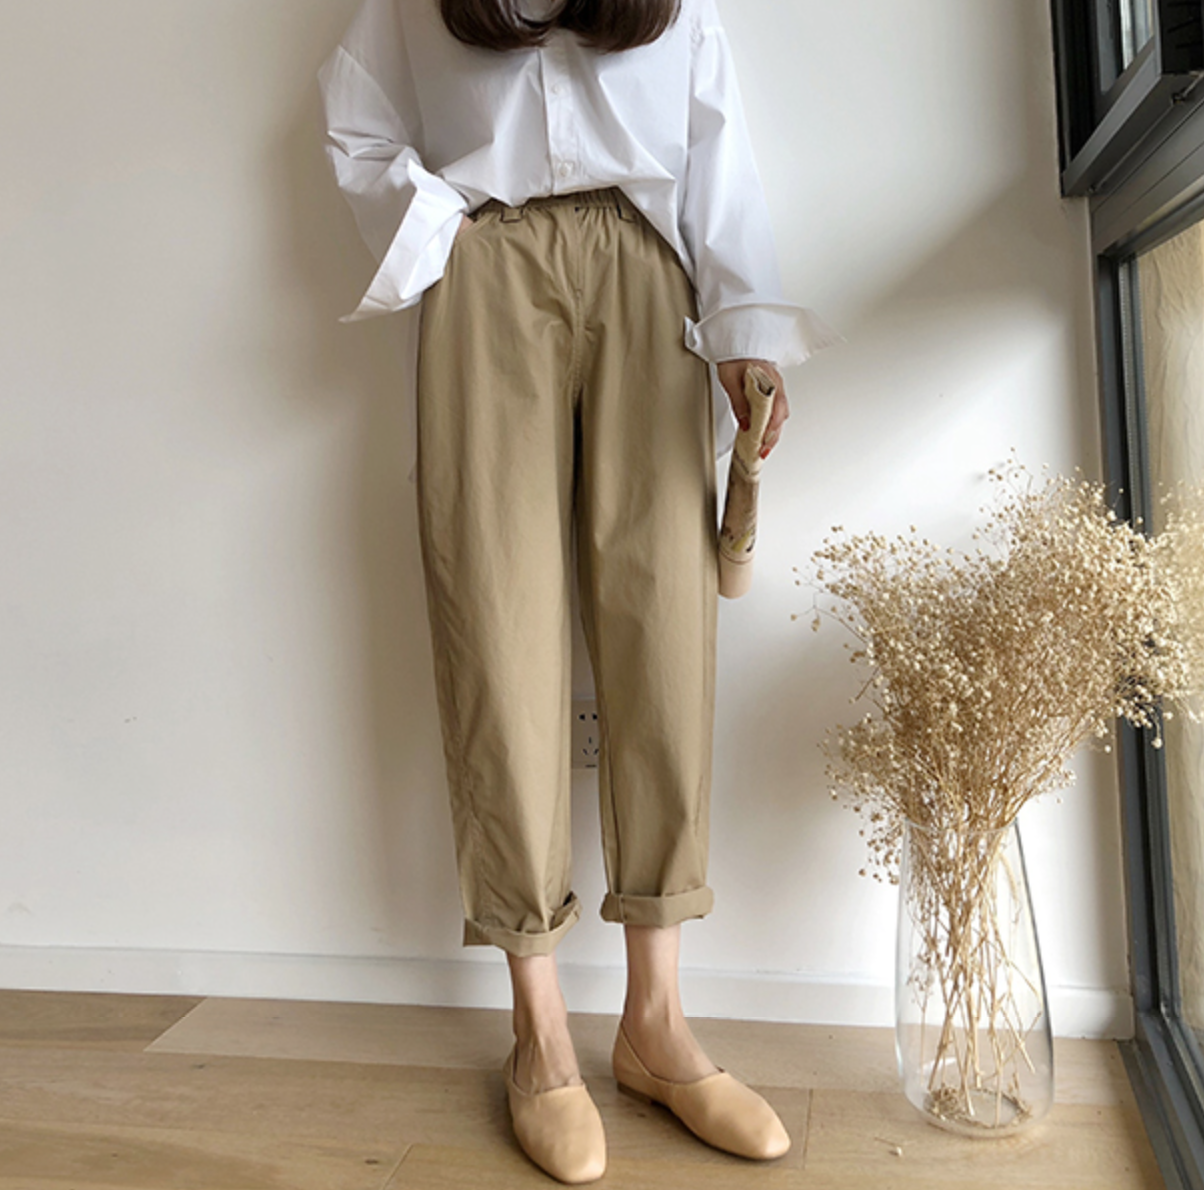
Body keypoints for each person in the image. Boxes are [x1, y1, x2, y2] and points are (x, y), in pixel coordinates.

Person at [318, 0, 838, 1181]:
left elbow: (714, 155)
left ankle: (655, 1023)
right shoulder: (412, 5)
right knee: (493, 624)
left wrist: (743, 328)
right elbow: (354, 121)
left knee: (663, 629)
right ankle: (539, 1031)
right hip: (484, 267)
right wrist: (439, 225)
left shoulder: (676, 9)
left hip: (647, 276)